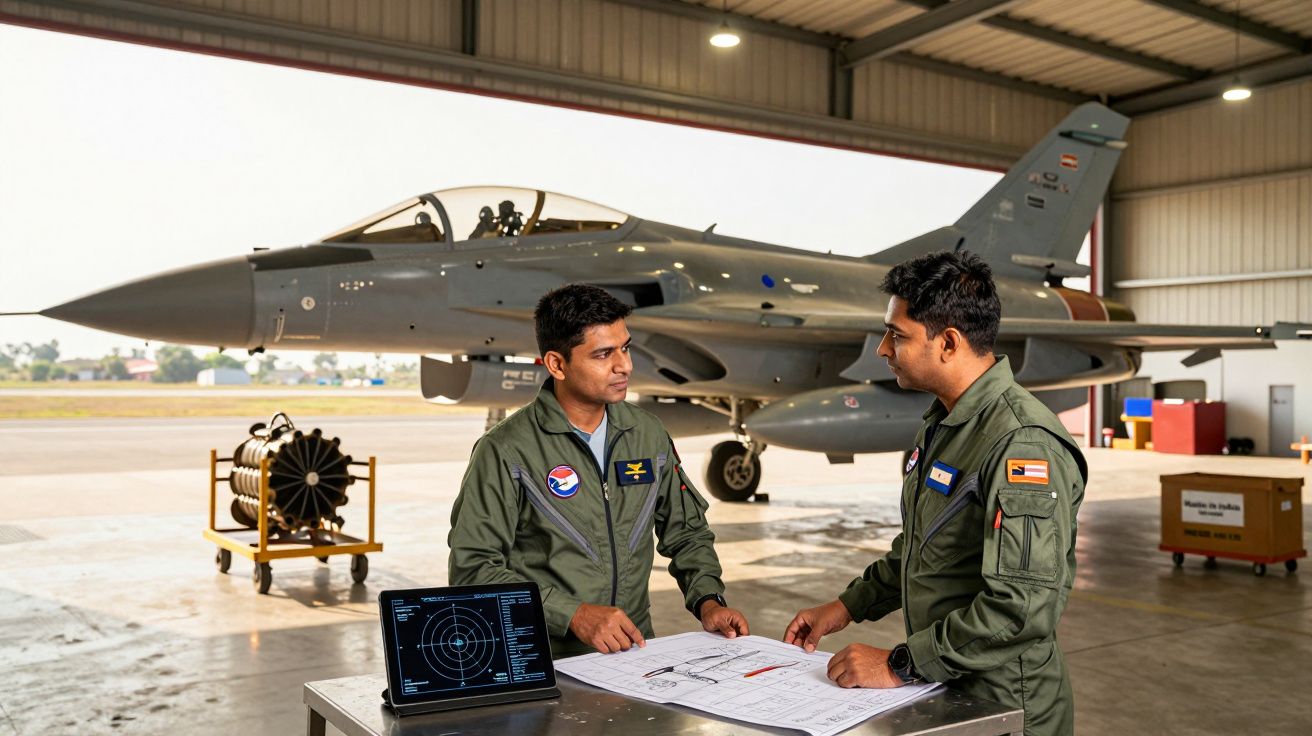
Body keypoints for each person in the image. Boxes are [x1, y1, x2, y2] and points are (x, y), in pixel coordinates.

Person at [783, 250, 1086, 736]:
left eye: (897, 335)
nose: (883, 349)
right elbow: (923, 547)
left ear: (948, 342)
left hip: (1008, 707)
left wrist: (899, 665)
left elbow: (1021, 608)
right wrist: (846, 607)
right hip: (950, 689)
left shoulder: (1021, 442)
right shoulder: (946, 423)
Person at [449, 283, 749, 657]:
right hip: (547, 660)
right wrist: (573, 615)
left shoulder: (647, 435)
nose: (624, 365)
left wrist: (709, 601)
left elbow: (686, 531)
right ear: (557, 364)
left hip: (633, 654)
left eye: (624, 347)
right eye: (603, 354)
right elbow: (473, 569)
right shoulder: (506, 451)